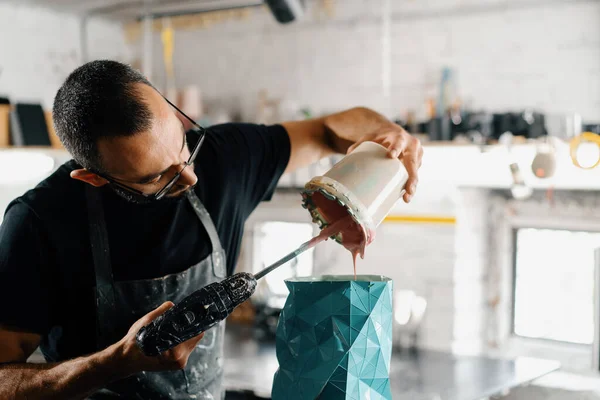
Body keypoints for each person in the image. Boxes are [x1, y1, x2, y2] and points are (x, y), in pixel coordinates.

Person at [0, 60, 423, 399]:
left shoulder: (226, 158)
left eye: (185, 146)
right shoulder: (37, 223)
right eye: (159, 178)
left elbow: (330, 127)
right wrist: (113, 363)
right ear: (94, 178)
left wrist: (388, 137)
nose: (191, 179)